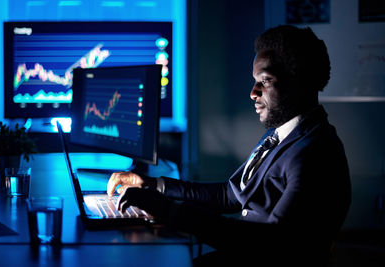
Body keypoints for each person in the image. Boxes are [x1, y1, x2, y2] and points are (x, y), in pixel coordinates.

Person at [107, 25, 351, 266]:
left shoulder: (316, 153)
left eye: (265, 81)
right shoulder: (282, 135)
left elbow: (274, 245)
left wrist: (170, 212)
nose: (253, 93)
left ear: (299, 82)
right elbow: (230, 194)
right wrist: (154, 185)